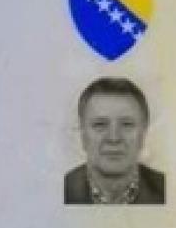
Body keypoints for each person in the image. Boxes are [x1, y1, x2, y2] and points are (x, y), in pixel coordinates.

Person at [64, 77, 165, 205]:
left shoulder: (170, 191)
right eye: (100, 124)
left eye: (127, 124)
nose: (114, 138)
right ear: (82, 134)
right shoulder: (57, 190)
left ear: (143, 134)